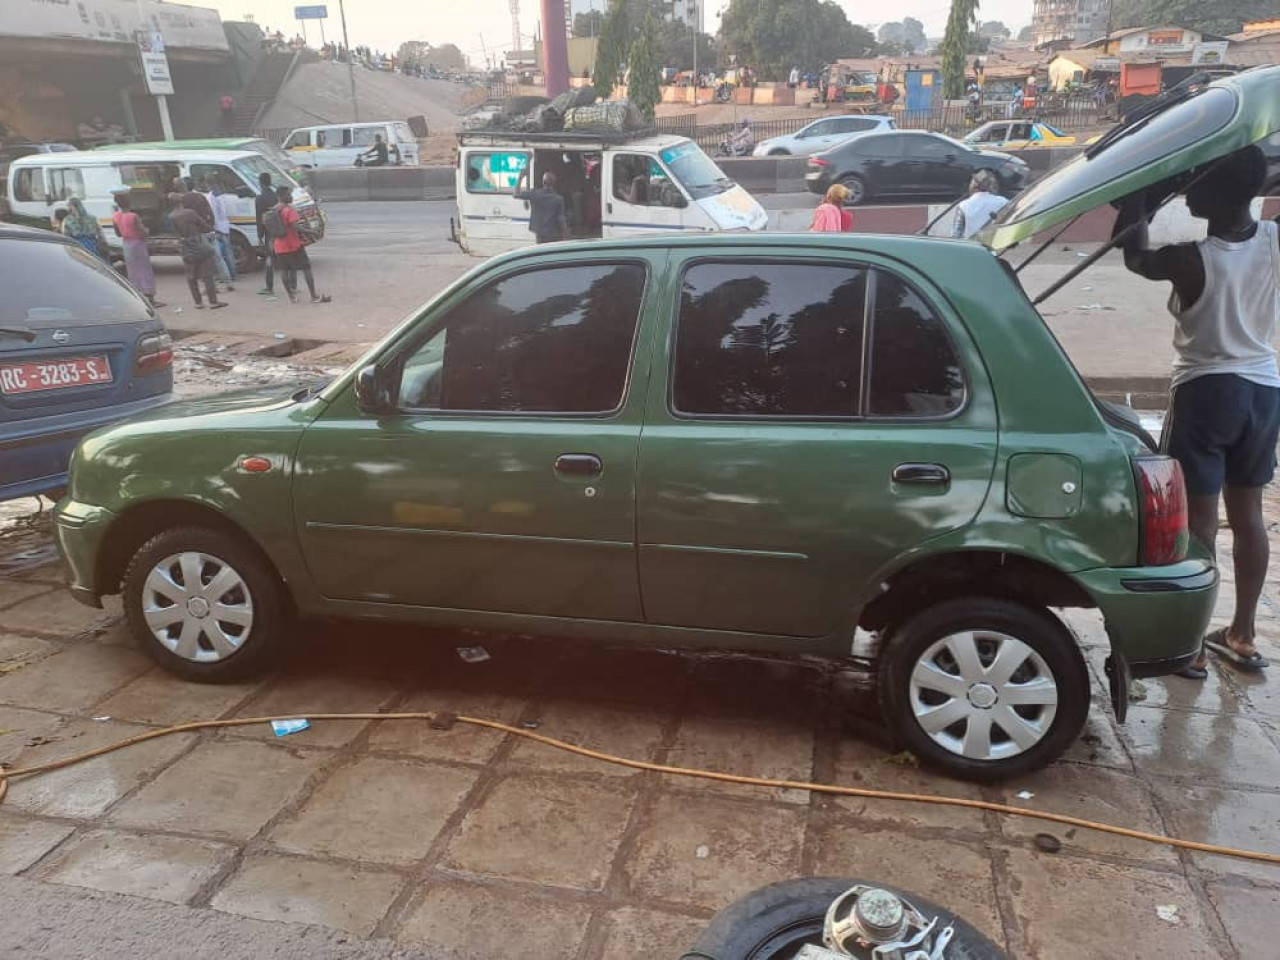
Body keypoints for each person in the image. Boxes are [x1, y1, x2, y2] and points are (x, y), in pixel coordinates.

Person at [1117, 144, 1278, 677]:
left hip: (1206, 392)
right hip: (1263, 392)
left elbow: (1133, 253)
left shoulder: (1191, 257)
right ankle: (1243, 634)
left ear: (1213, 191)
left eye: (1196, 182)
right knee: (1249, 517)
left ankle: (1187, 645)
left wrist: (1142, 195)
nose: (1189, 192)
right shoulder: (1276, 243)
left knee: (1200, 525)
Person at [268, 185, 327, 303]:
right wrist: (312, 231)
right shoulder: (289, 210)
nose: (291, 197)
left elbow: (271, 230)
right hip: (293, 245)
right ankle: (313, 296)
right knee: (307, 268)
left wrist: (271, 244)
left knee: (284, 271)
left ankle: (291, 297)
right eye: (288, 195)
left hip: (279, 246)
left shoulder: (273, 210)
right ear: (281, 196)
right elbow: (296, 227)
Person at [169, 192, 225, 310]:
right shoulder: (190, 213)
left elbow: (175, 233)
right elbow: (204, 225)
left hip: (185, 246)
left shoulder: (171, 217)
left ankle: (198, 302)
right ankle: (213, 302)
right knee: (207, 274)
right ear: (180, 201)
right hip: (199, 243)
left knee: (191, 276)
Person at [111, 192, 163, 308]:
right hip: (137, 244)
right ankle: (151, 299)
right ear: (129, 203)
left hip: (126, 245)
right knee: (145, 270)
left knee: (132, 271)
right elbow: (143, 232)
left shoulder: (115, 216)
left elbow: (118, 234)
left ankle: (137, 298)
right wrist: (147, 230)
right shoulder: (133, 216)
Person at [513, 168, 568, 244]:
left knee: (541, 253)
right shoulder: (559, 199)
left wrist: (520, 177)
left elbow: (516, 194)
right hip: (554, 235)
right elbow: (561, 219)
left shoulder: (534, 194)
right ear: (554, 183)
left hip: (539, 234)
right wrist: (565, 235)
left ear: (543, 182)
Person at [194, 178, 232, 287]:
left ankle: (212, 284)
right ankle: (228, 281)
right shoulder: (206, 198)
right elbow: (212, 214)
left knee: (206, 260)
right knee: (219, 257)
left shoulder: (208, 197)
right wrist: (211, 225)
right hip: (211, 230)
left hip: (203, 233)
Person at [951, 171, 1009, 239]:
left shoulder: (963, 205)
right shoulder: (1003, 201)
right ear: (992, 186)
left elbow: (956, 235)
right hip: (1000, 244)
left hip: (973, 246)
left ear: (972, 185)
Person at [207, 181, 238, 290]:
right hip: (224, 226)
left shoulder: (212, 197)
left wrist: (214, 226)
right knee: (228, 252)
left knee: (220, 255)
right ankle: (232, 274)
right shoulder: (221, 195)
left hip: (218, 227)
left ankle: (227, 277)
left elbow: (214, 214)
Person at [254, 170, 279, 300]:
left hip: (269, 233)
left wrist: (260, 236)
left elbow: (259, 219)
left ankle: (269, 287)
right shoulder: (276, 196)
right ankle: (293, 285)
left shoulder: (259, 198)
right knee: (285, 259)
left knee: (269, 260)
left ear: (260, 183)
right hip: (279, 232)